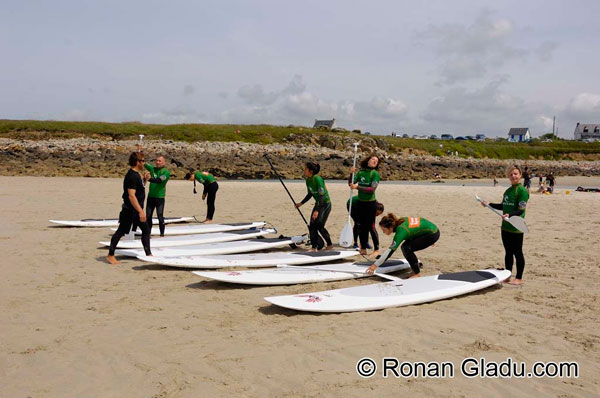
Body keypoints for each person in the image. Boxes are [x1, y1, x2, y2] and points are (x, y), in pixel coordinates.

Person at [480, 165, 529, 285]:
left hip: (516, 227)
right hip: (505, 227)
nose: (513, 176)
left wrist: (509, 215)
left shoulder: (522, 191)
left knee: (517, 252)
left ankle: (519, 278)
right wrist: (489, 204)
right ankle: (507, 275)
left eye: (516, 174)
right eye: (511, 174)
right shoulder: (508, 191)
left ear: (520, 175)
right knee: (508, 252)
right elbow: (503, 206)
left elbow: (521, 210)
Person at [106, 152, 152, 264]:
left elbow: (139, 190)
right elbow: (131, 196)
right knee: (121, 231)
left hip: (136, 210)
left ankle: (148, 254)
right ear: (137, 162)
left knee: (146, 230)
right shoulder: (131, 176)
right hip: (130, 210)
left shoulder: (137, 175)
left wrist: (145, 180)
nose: (144, 163)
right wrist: (141, 211)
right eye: (142, 161)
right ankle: (110, 254)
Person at [365, 213, 440, 278]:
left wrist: (374, 266)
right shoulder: (400, 221)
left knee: (406, 248)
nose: (383, 232)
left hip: (431, 234)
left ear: (390, 227)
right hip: (430, 230)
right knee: (405, 246)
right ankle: (415, 271)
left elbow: (390, 251)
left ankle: (417, 273)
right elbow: (415, 227)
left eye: (384, 230)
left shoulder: (400, 232)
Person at [349, 154, 381, 256]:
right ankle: (363, 248)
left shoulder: (375, 174)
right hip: (360, 203)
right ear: (368, 161)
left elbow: (371, 189)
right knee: (361, 226)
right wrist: (351, 174)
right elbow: (351, 183)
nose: (375, 161)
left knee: (371, 227)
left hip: (371, 204)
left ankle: (376, 249)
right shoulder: (361, 172)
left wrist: (357, 187)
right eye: (373, 159)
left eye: (376, 161)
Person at [295, 162, 332, 251]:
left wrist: (317, 210)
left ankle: (328, 245)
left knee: (318, 225)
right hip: (318, 204)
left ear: (310, 171)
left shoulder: (317, 179)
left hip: (325, 204)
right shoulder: (308, 180)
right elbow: (310, 194)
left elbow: (322, 196)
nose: (304, 170)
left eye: (305, 169)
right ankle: (314, 247)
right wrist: (301, 203)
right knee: (312, 226)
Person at [144, 155, 170, 236]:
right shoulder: (152, 169)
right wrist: (139, 152)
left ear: (164, 162)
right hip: (150, 196)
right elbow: (143, 163)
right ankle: (148, 234)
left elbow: (158, 180)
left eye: (160, 161)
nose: (157, 162)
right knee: (148, 216)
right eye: (157, 160)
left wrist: (148, 179)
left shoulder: (166, 172)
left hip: (160, 197)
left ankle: (162, 234)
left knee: (160, 216)